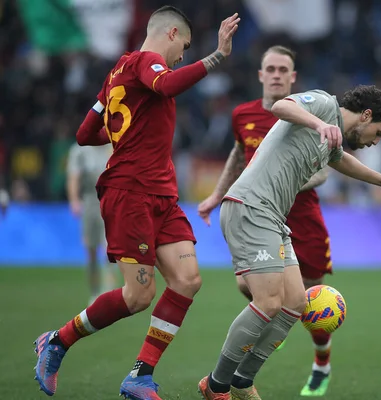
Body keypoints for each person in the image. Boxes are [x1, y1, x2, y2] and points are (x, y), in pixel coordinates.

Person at [32, 6, 240, 400]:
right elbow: (166, 86)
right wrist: (216, 57)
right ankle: (57, 341)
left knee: (187, 280)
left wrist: (123, 137)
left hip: (161, 194)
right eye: (186, 47)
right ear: (173, 33)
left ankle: (139, 376)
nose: (182, 56)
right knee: (138, 297)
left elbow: (84, 132)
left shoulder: (116, 74)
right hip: (130, 193)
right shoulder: (148, 62)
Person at [197, 85, 381, 400]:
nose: (375, 142)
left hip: (272, 217)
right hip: (250, 207)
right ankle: (216, 386)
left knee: (295, 303)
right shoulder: (324, 105)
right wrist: (318, 123)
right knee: (268, 301)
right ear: (366, 115)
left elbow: (341, 161)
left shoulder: (333, 138)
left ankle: (242, 380)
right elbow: (281, 106)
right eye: (378, 132)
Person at [197, 45, 335, 396]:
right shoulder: (242, 114)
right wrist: (216, 195)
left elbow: (324, 168)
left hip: (303, 218)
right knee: (257, 290)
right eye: (269, 68)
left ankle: (322, 361)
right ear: (260, 75)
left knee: (315, 301)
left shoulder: (309, 110)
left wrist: (280, 179)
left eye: (282, 69)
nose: (275, 74)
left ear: (293, 78)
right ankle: (244, 370)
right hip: (258, 216)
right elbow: (238, 155)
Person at [66, 142, 119, 305]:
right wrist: (74, 200)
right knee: (91, 249)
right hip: (90, 201)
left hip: (112, 200)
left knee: (110, 248)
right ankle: (95, 292)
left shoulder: (114, 146)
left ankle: (109, 291)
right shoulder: (80, 149)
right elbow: (74, 176)